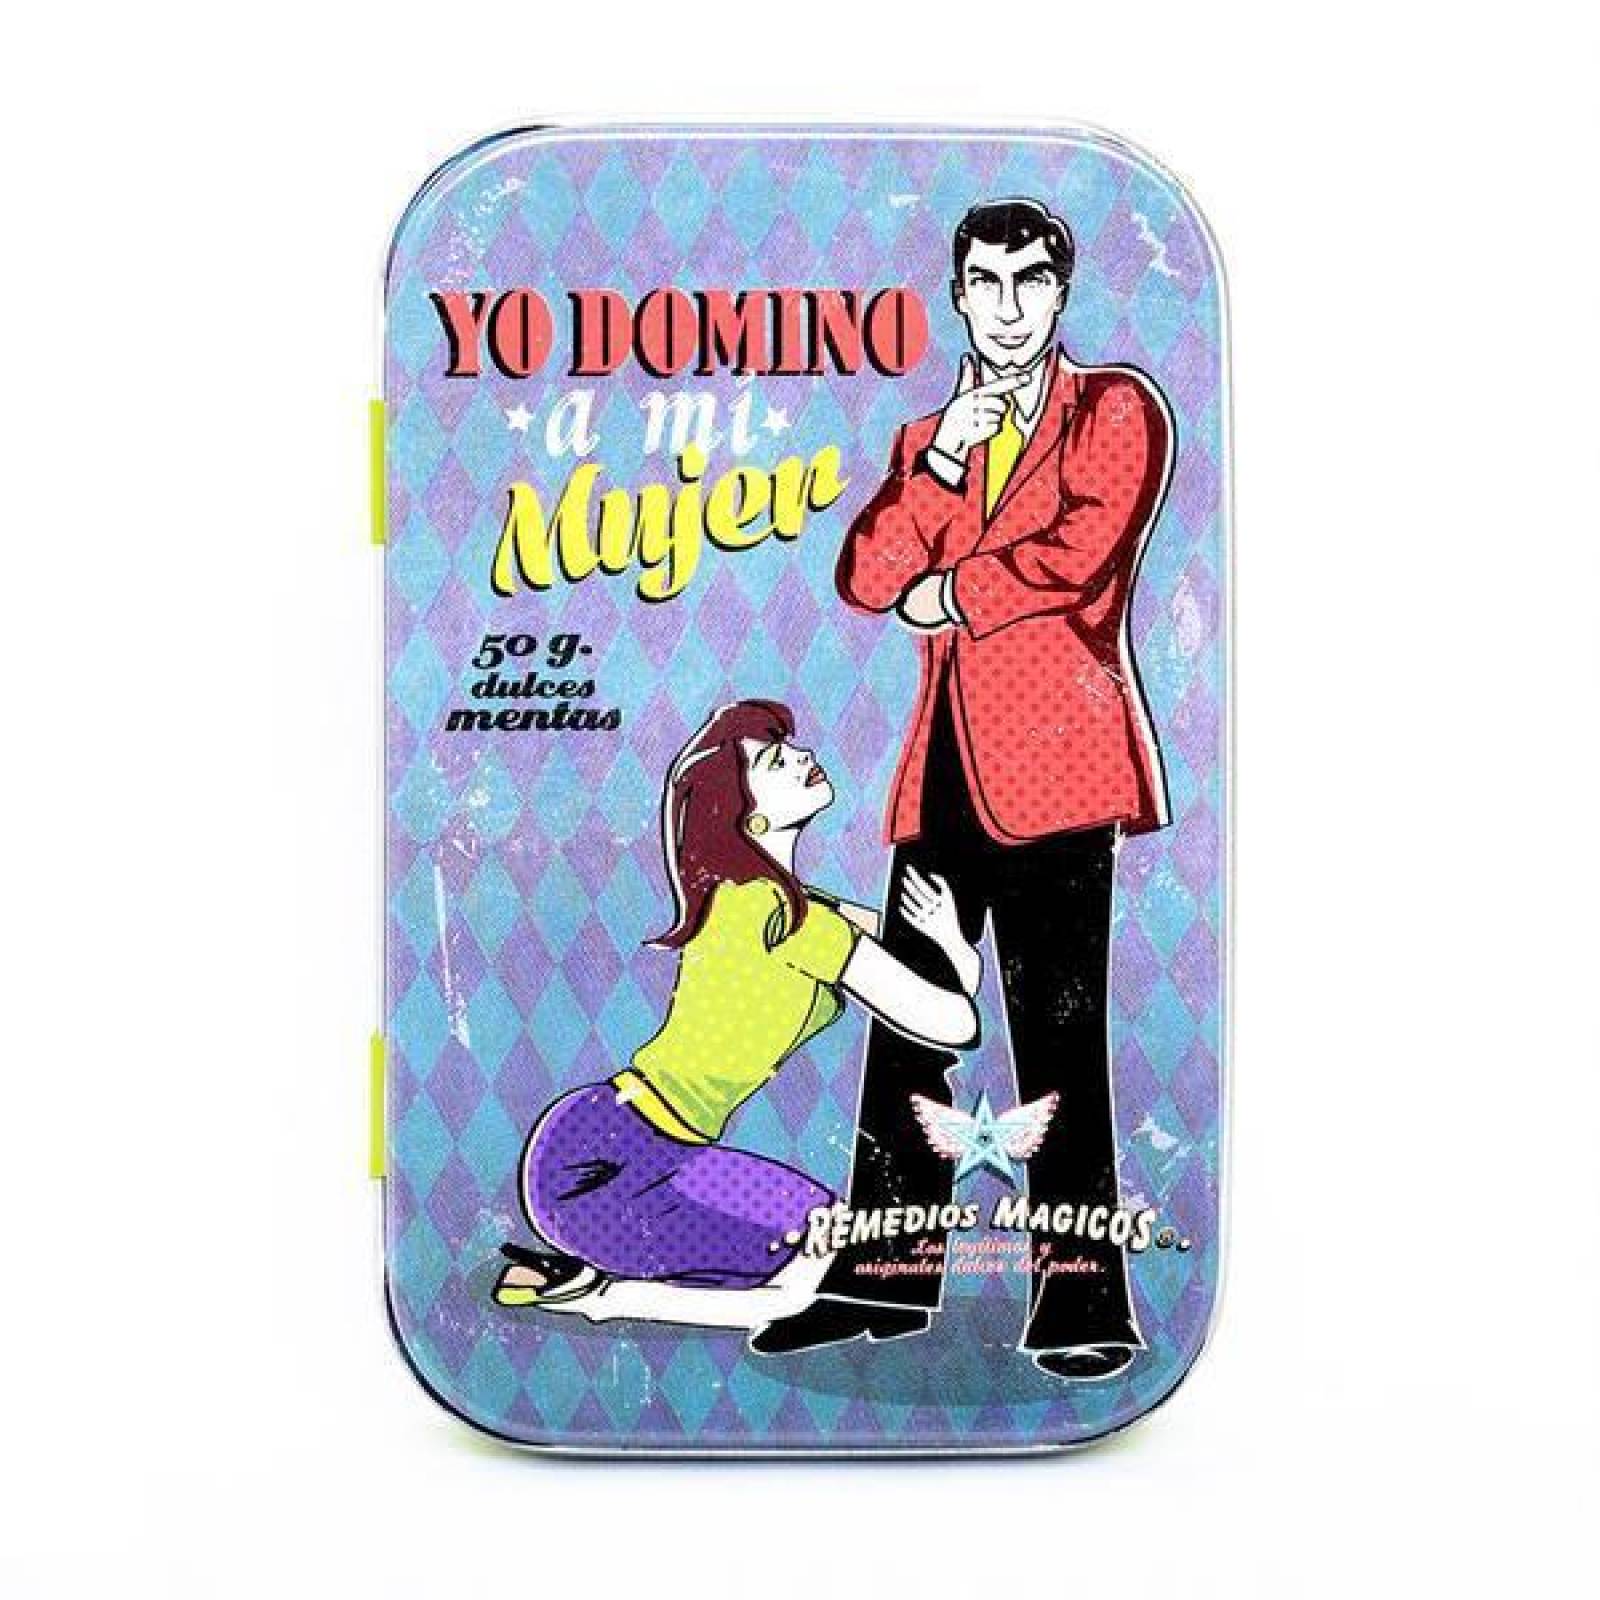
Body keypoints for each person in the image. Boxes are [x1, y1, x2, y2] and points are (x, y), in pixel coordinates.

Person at [750, 198, 1175, 1380]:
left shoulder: (1114, 408)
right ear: (957, 296)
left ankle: (1082, 1308)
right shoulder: (927, 436)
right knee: (906, 1029)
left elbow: (1079, 552)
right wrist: (943, 456)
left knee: (1058, 1038)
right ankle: (877, 1286)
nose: (1006, 306)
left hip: (1059, 769)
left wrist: (952, 594)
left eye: (1028, 280)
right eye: (984, 283)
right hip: (942, 770)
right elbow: (865, 574)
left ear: (1061, 291)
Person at [494, 698, 983, 1330]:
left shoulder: (782, 902)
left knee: (815, 1242)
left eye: (790, 747)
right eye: (777, 760)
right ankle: (600, 1298)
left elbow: (939, 985)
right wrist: (950, 946)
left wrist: (947, 942)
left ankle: (586, 1276)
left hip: (619, 1147)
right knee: (815, 1253)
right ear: (750, 817)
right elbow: (954, 1022)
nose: (803, 756)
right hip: (609, 1165)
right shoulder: (791, 920)